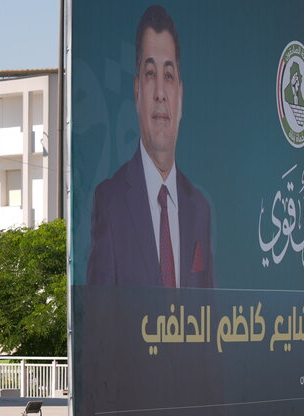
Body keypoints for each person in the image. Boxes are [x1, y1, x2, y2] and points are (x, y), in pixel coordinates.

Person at [87, 5, 215, 288]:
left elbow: (210, 312)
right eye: (149, 74)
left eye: (168, 76)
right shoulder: (109, 202)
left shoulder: (200, 209)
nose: (159, 93)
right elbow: (98, 313)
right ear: (137, 90)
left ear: (180, 95)